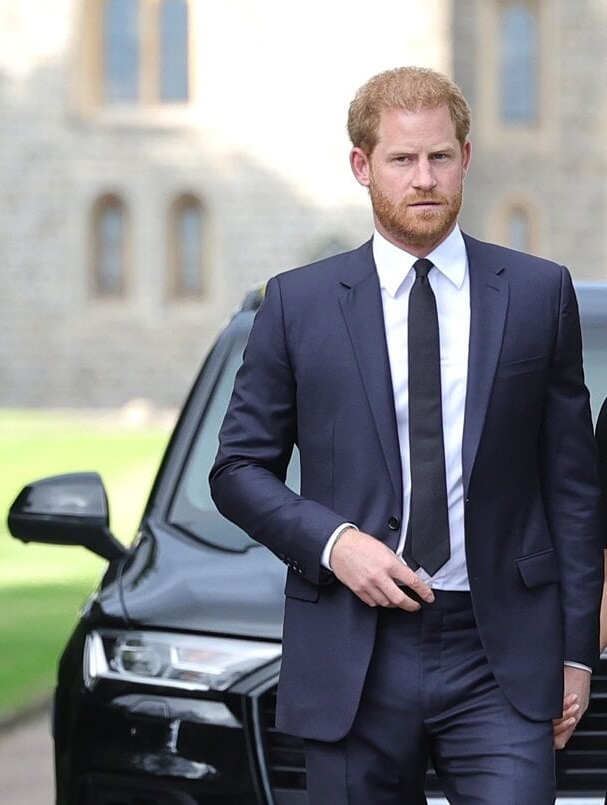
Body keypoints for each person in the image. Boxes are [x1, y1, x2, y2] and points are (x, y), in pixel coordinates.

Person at [210, 66, 601, 803]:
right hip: (354, 647)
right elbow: (236, 470)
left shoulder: (537, 294)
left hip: (500, 654)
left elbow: (573, 488)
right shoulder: (298, 305)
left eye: (440, 157)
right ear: (363, 166)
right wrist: (335, 542)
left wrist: (578, 651)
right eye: (402, 159)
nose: (424, 178)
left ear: (466, 158)